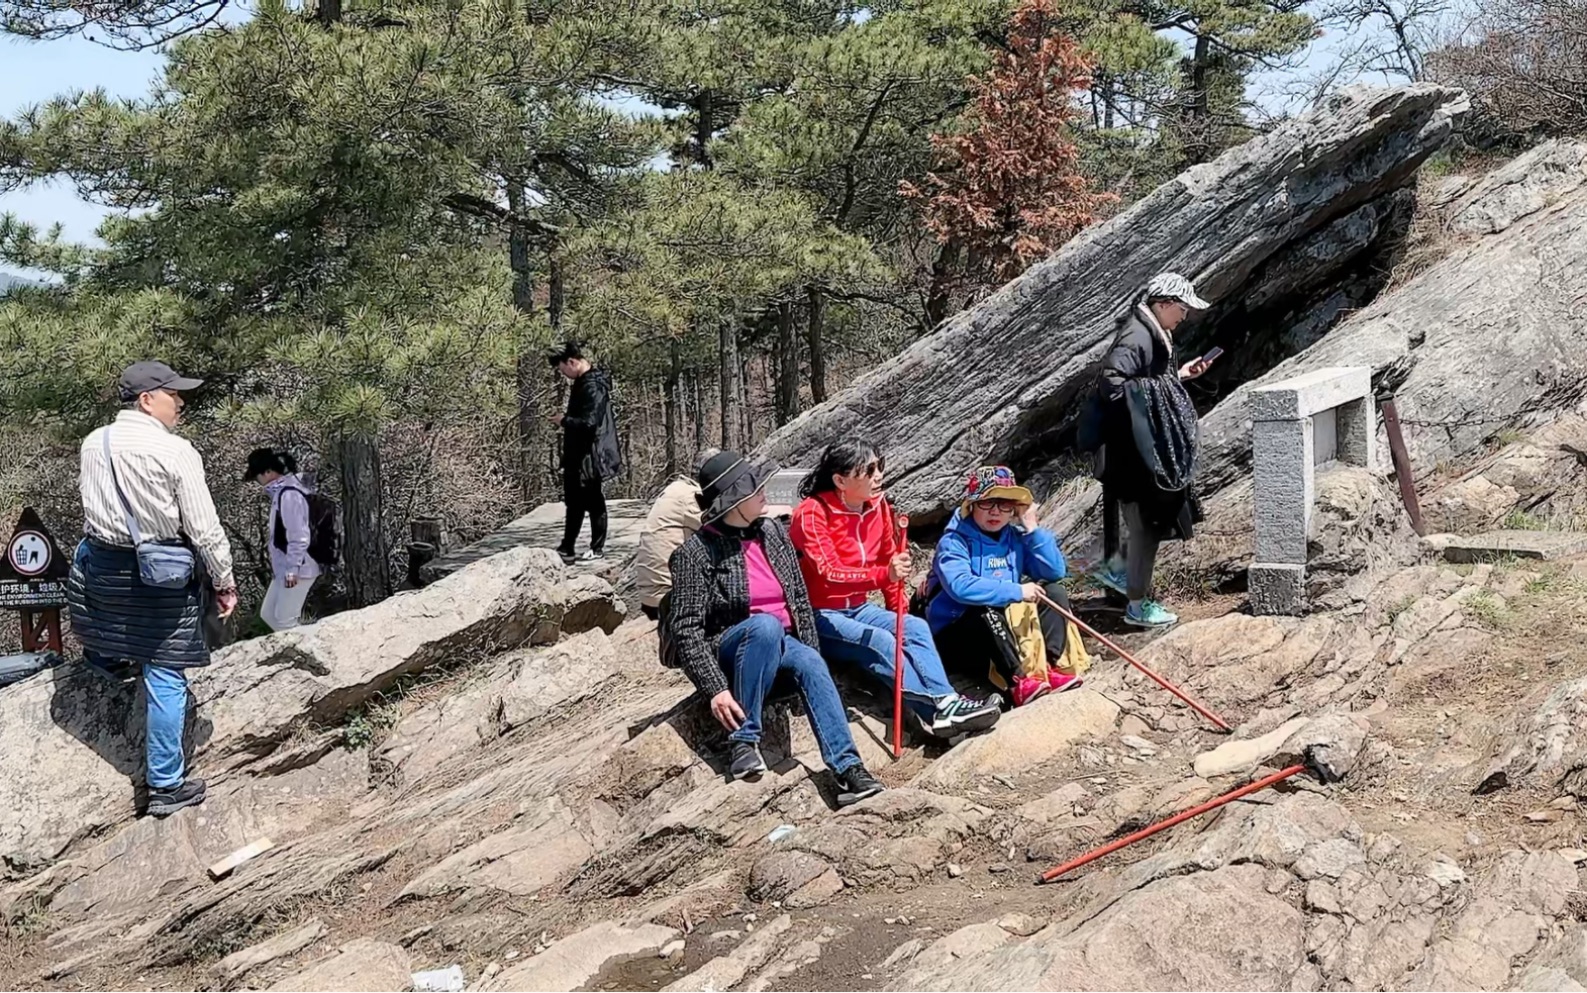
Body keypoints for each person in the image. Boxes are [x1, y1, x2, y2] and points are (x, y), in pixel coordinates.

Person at [67, 361, 238, 817]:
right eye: (173, 394)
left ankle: (105, 667)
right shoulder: (177, 451)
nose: (180, 402)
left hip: (104, 564)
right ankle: (165, 786)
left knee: (105, 633)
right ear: (147, 399)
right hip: (160, 575)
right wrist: (224, 581)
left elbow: (92, 507)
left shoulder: (93, 443)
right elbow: (204, 531)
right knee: (165, 673)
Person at [667, 451, 884, 805]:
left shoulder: (771, 532)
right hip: (732, 651)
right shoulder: (697, 551)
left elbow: (798, 598)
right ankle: (743, 738)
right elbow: (686, 629)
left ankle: (848, 770)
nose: (764, 492)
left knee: (812, 663)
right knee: (765, 626)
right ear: (734, 500)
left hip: (781, 645)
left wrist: (811, 652)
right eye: (755, 490)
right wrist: (716, 690)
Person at [790, 439, 1002, 739]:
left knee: (914, 627)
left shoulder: (878, 508)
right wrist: (883, 576)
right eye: (869, 469)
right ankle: (944, 708)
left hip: (860, 608)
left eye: (881, 466)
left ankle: (947, 708)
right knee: (880, 642)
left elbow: (891, 561)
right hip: (820, 613)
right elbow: (829, 572)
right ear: (840, 480)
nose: (879, 475)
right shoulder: (811, 512)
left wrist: (899, 610)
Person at [1091, 272, 1213, 629]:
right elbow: (1112, 384)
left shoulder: (1154, 333)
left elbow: (1145, 384)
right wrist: (1162, 389)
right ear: (1162, 305)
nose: (1185, 315)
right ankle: (1135, 603)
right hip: (1130, 453)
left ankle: (1121, 578)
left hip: (1137, 448)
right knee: (1147, 523)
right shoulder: (1138, 336)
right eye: (1181, 308)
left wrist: (1179, 377)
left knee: (1148, 521)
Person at [923, 466, 1091, 707]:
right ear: (971, 506)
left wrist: (1032, 529)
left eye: (1005, 504)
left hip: (1002, 631)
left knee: (1054, 592)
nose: (996, 512)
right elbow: (960, 587)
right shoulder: (954, 541)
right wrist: (1018, 591)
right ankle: (1017, 683)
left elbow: (1054, 572)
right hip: (958, 634)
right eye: (987, 503)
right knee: (984, 610)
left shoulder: (1013, 538)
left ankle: (1047, 667)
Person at [548, 342, 621, 564]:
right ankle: (567, 546)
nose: (564, 375)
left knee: (593, 500)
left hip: (591, 455)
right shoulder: (582, 383)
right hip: (577, 455)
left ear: (572, 362)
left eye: (563, 370)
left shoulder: (593, 386)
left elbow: (589, 424)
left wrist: (564, 421)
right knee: (574, 501)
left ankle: (596, 548)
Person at [635, 448, 722, 623]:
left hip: (652, 594)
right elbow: (725, 528)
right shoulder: (691, 497)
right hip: (666, 598)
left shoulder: (677, 489)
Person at [243, 448, 320, 631]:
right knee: (269, 614)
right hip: (286, 566)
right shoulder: (283, 493)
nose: (257, 481)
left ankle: (310, 654)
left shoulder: (289, 495)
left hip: (299, 566)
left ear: (268, 472)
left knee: (285, 619)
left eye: (257, 476)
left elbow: (298, 535)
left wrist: (293, 568)